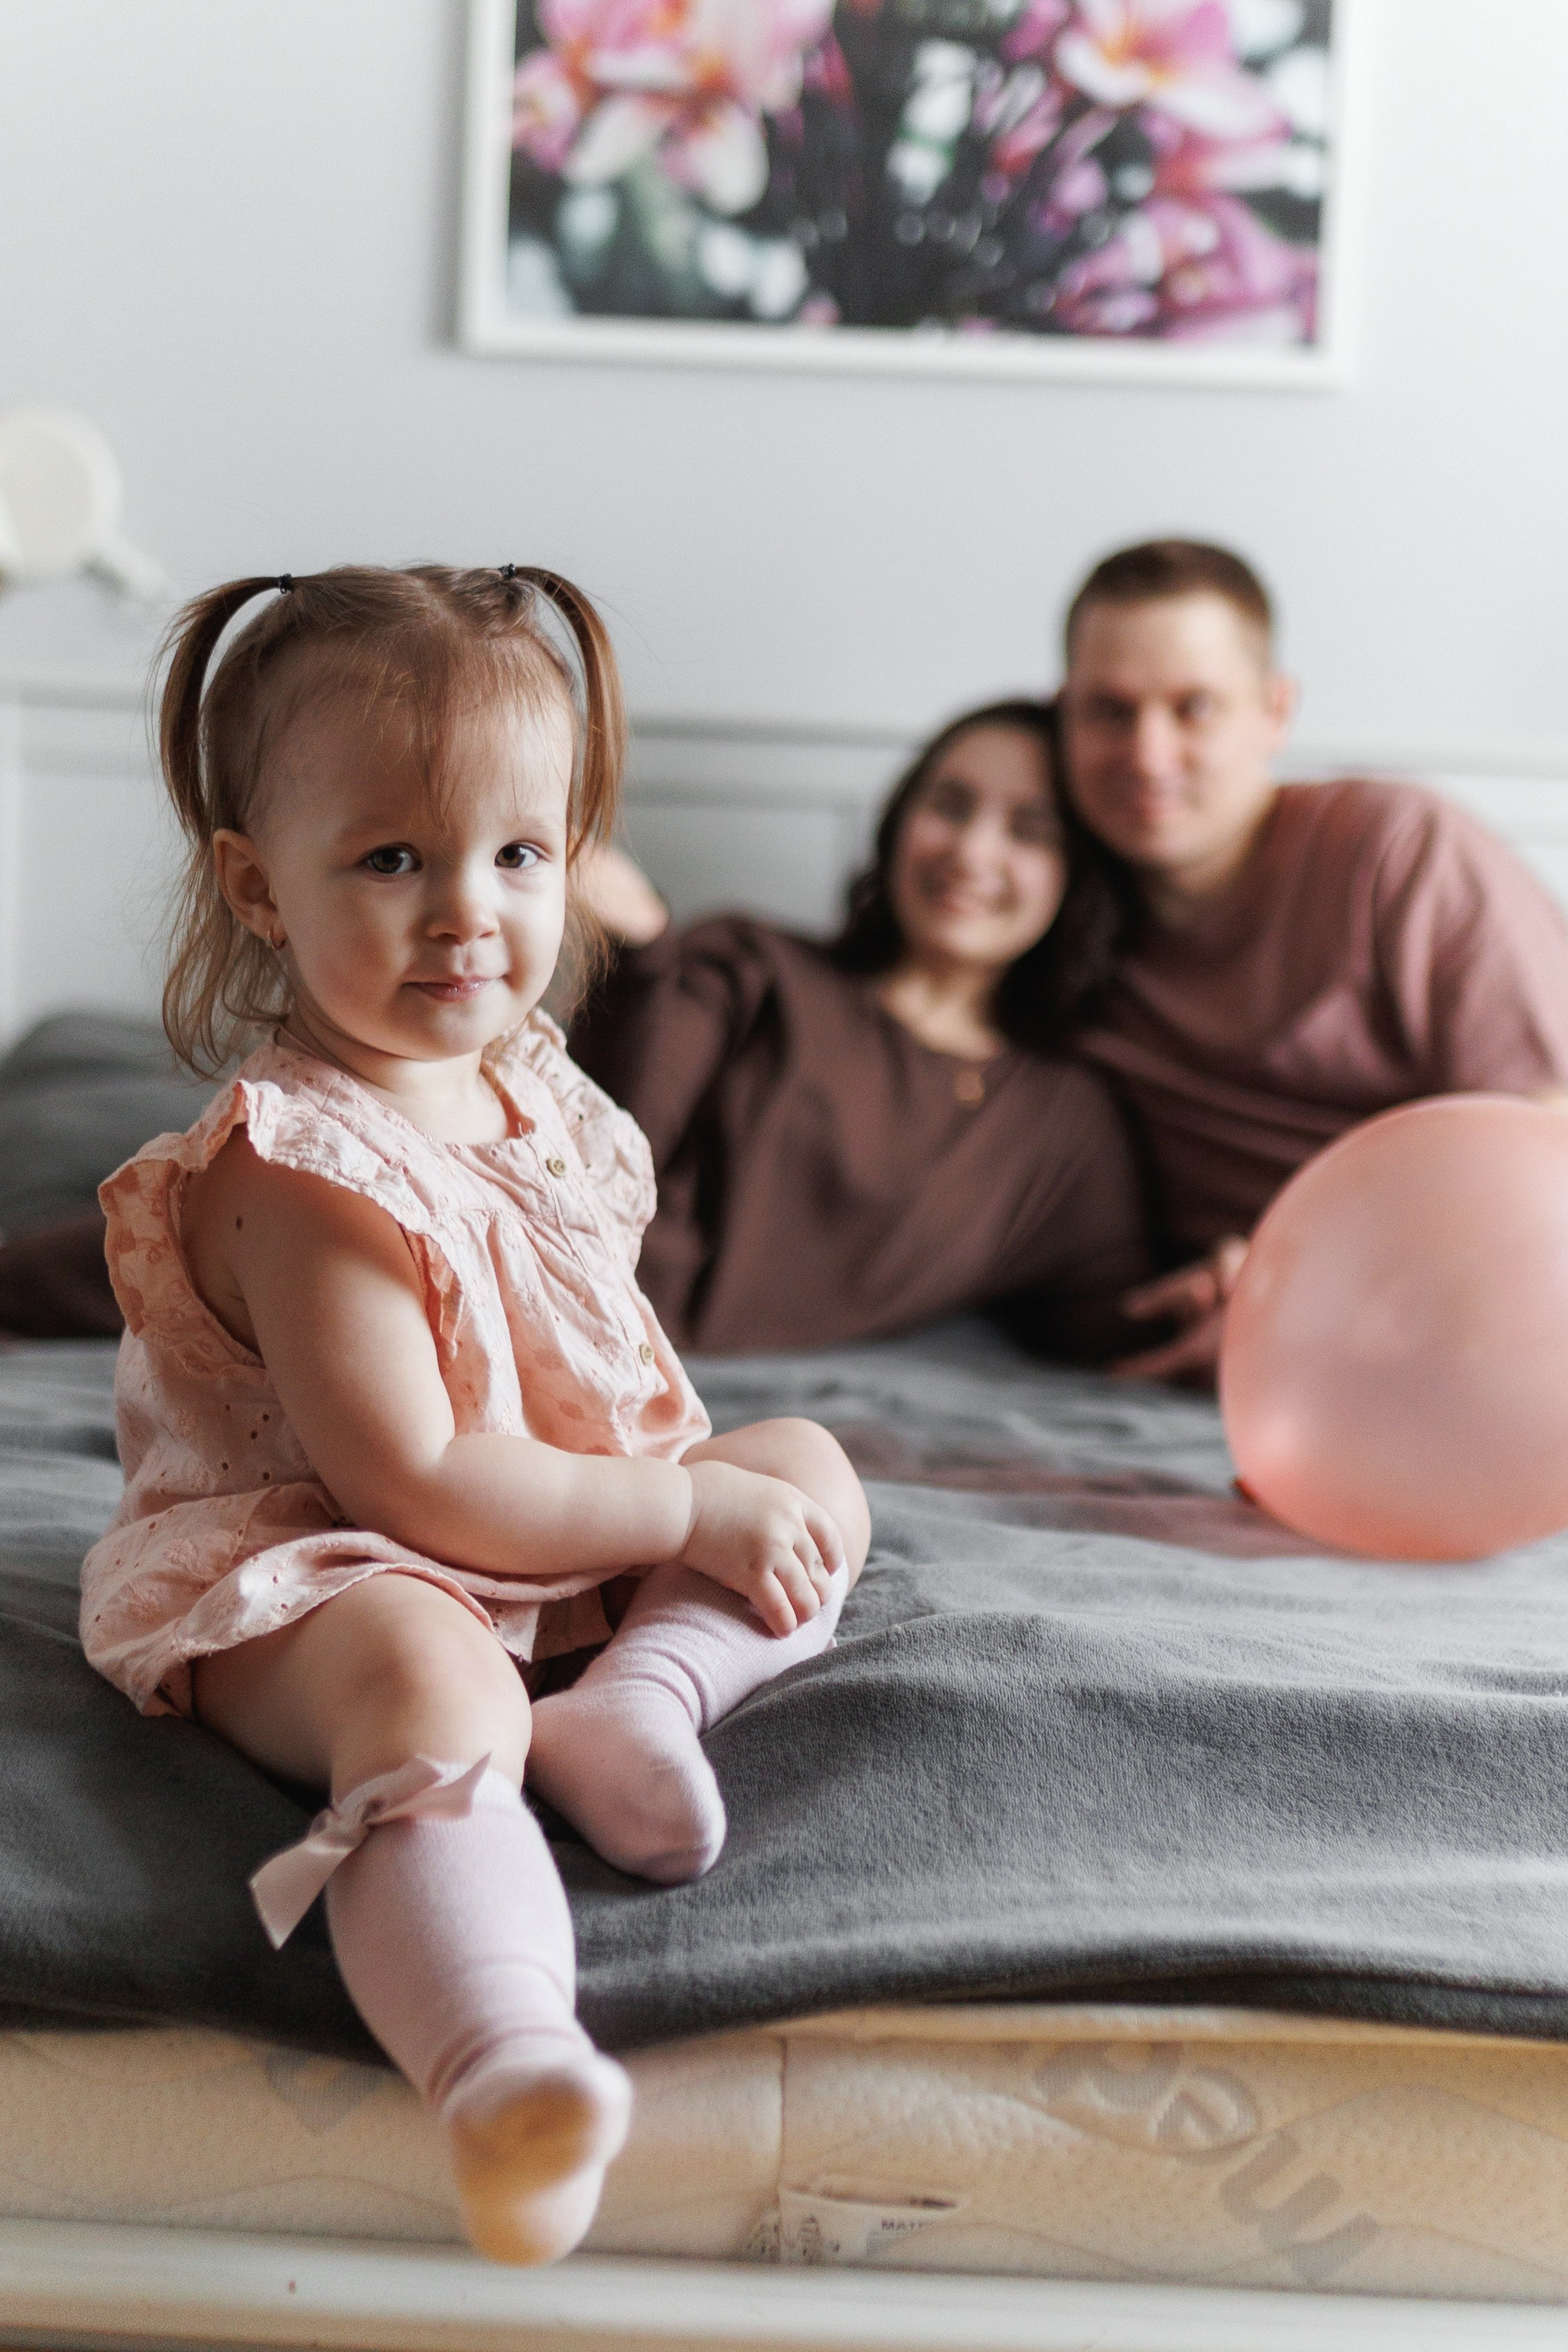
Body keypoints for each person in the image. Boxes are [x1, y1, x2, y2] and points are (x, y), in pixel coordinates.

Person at [78, 565, 870, 2266]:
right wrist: (679, 1516)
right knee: (434, 1690)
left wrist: (696, 1494)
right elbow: (417, 1479)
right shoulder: (304, 1167)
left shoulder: (532, 1091)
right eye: (391, 859)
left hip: (552, 1517)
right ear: (258, 886)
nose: (465, 915)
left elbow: (589, 1380)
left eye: (517, 854)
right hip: (325, 1560)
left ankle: (636, 1700)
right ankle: (505, 2064)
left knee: (807, 1466)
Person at [1057, 538, 1568, 1380]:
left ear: (1275, 711)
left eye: (1194, 708)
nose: (1147, 755)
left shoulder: (1395, 852)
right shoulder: (1047, 915)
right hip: (1232, 1330)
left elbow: (1546, 1140)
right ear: (1063, 718)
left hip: (1474, 1309)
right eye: (1109, 712)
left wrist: (1315, 1288)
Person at [569, 700, 1150, 1361]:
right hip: (578, 1332)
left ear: (1077, 877)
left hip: (742, 1402)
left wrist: (1220, 1296)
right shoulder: (747, 967)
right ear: (901, 821)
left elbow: (1116, 1328)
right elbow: (593, 1153)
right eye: (950, 806)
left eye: (1030, 831)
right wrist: (640, 956)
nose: (971, 851)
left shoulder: (1063, 1120)